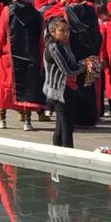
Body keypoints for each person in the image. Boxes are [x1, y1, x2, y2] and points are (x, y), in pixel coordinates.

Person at [0, 0, 45, 130]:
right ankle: (27, 122)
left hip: (9, 58)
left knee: (5, 88)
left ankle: (2, 119)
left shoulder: (7, 11)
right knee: (27, 88)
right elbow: (40, 40)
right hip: (31, 57)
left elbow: (0, 34)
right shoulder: (37, 14)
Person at [61, 0, 102, 126]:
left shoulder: (68, 10)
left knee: (76, 86)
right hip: (93, 54)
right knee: (90, 85)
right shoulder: (91, 9)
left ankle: (78, 118)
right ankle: (91, 118)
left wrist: (61, 4)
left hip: (76, 54)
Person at [43, 15, 84, 148]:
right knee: (67, 126)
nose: (66, 34)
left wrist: (82, 64)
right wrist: (82, 67)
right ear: (52, 31)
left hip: (67, 87)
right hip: (59, 90)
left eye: (67, 30)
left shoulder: (62, 46)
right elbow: (66, 70)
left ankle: (58, 152)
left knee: (62, 125)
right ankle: (68, 153)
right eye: (62, 31)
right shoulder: (53, 47)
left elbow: (71, 65)